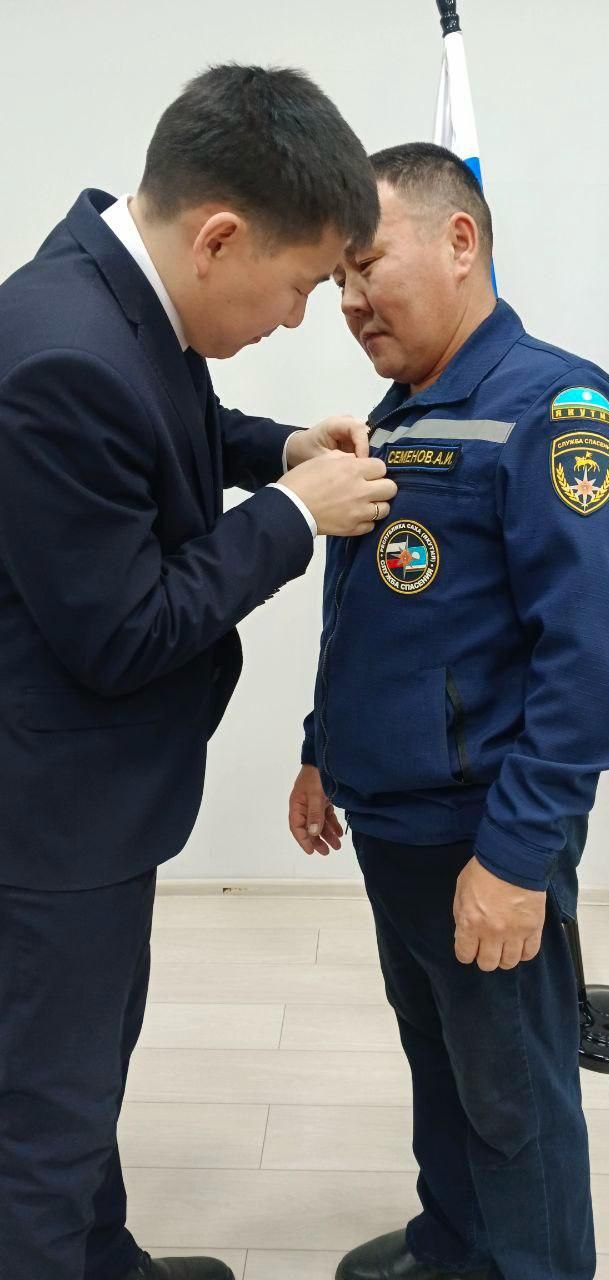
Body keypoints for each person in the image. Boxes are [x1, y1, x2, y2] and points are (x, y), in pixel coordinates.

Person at [0, 64, 398, 1280]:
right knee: (43, 1121)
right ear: (220, 236)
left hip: (90, 803)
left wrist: (278, 445)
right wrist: (292, 512)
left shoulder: (113, 290)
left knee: (87, 1066)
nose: (299, 317)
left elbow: (165, 430)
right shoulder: (59, 355)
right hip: (46, 818)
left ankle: (101, 1258)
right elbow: (124, 630)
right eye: (300, 284)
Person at [289, 143, 609, 1280]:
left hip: (482, 834)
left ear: (460, 242)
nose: (349, 301)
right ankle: (454, 1246)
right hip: (395, 823)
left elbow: (594, 669)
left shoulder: (559, 410)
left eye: (366, 265)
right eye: (337, 279)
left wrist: (514, 856)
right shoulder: (401, 413)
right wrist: (321, 750)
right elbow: (377, 611)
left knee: (514, 1100)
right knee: (441, 1062)